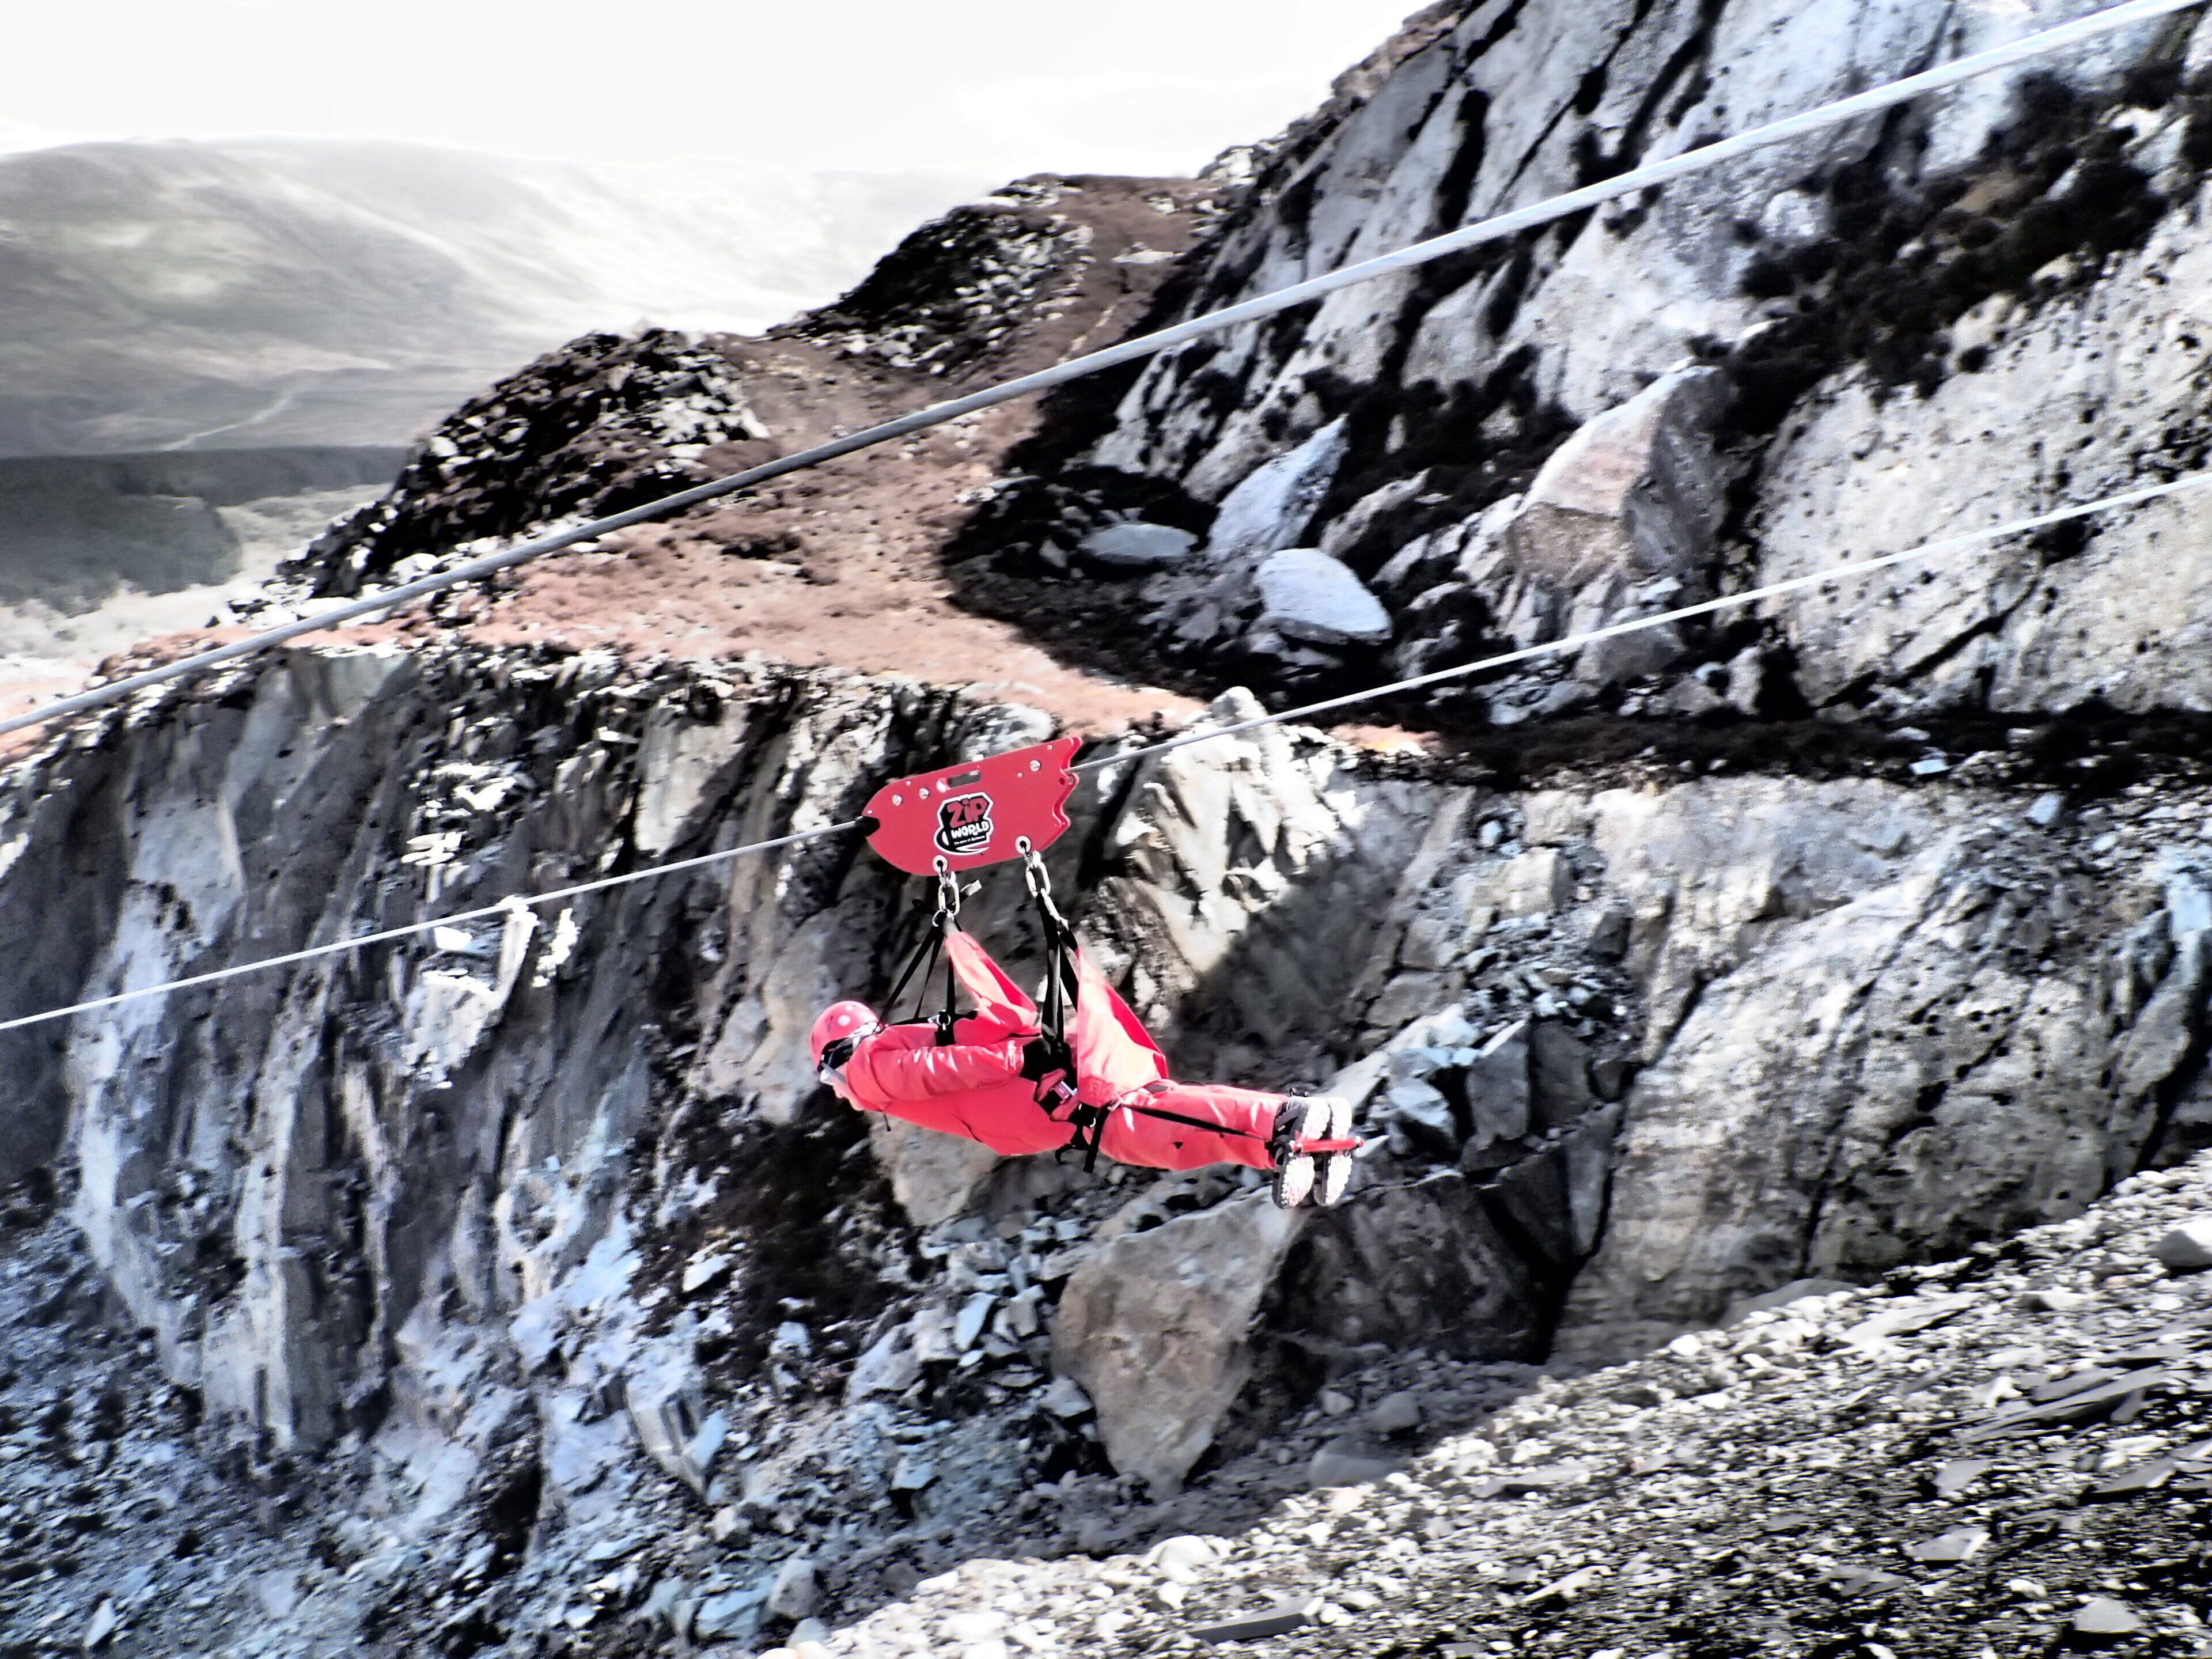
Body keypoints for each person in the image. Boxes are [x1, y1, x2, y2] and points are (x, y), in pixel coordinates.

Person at [808, 926, 1355, 1209]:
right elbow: (943, 1063)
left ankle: (1287, 1125)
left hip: (1057, 1090)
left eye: (829, 1078)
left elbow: (938, 1070)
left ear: (839, 1056)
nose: (838, 1092)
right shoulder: (887, 1054)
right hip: (1058, 1094)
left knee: (1156, 1128)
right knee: (1161, 1121)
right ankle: (1292, 1143)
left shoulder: (868, 1070)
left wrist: (1016, 1057)